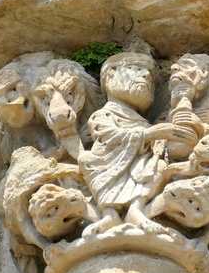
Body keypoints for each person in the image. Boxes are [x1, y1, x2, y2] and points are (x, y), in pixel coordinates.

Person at [78, 52, 193, 235]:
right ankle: (110, 213)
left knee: (159, 165)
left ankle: (136, 210)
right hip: (107, 165)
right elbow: (107, 135)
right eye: (136, 69)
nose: (145, 75)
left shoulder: (141, 121)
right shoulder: (104, 114)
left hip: (140, 167)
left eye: (147, 72)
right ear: (111, 76)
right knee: (87, 161)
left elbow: (152, 142)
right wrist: (149, 134)